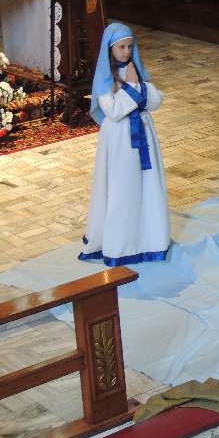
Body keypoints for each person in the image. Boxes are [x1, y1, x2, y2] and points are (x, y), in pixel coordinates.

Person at [79, 22, 170, 266]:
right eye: (121, 47)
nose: (127, 51)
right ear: (110, 49)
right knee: (123, 187)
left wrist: (136, 86)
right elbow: (114, 111)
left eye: (130, 46)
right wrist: (134, 88)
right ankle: (122, 242)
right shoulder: (105, 79)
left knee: (147, 184)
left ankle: (149, 237)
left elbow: (156, 100)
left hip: (144, 134)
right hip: (120, 140)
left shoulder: (134, 71)